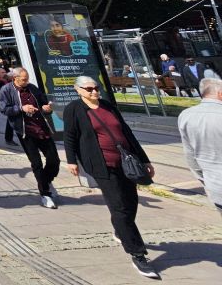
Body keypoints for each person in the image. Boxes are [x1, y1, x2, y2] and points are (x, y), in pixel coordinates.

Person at [63, 76, 158, 279]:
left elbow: (127, 133)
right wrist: (71, 161)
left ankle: (120, 230)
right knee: (120, 207)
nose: (94, 92)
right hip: (101, 165)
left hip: (125, 162)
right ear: (78, 90)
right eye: (89, 89)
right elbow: (70, 136)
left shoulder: (107, 106)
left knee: (131, 203)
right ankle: (137, 253)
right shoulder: (74, 109)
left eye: (96, 88)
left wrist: (145, 160)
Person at [0, 68, 60, 208]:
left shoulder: (32, 88)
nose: (26, 82)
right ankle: (45, 194)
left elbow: (44, 102)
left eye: (27, 79)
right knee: (36, 163)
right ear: (15, 78)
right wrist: (21, 108)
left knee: (54, 160)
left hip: (42, 128)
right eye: (23, 79)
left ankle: (45, 181)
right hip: (26, 132)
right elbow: (3, 109)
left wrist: (47, 108)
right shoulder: (6, 90)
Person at [177, 77, 222, 212]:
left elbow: (190, 156)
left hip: (215, 187)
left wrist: (205, 181)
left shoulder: (186, 115)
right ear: (220, 93)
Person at [0, 68, 16, 146]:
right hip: (6, 104)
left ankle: (9, 138)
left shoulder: (10, 81)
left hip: (14, 103)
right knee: (11, 120)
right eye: (2, 72)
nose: (4, 73)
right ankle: (8, 138)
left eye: (5, 72)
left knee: (13, 120)